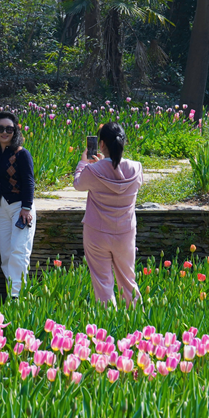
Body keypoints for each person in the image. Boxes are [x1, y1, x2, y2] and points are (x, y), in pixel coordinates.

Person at [74, 122, 143, 306]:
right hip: (125, 232)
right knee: (128, 279)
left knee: (102, 282)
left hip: (96, 232)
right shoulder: (136, 168)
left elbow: (78, 184)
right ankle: (136, 321)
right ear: (123, 142)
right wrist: (101, 166)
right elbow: (118, 175)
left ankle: (106, 327)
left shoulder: (92, 170)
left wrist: (83, 163)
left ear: (101, 144)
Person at [0, 111, 35, 298]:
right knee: (6, 253)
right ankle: (12, 293)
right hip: (1, 207)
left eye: (9, 129)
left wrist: (27, 207)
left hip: (20, 208)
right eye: (0, 128)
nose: (4, 132)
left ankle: (18, 297)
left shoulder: (22, 154)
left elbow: (29, 181)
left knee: (19, 250)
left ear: (15, 131)